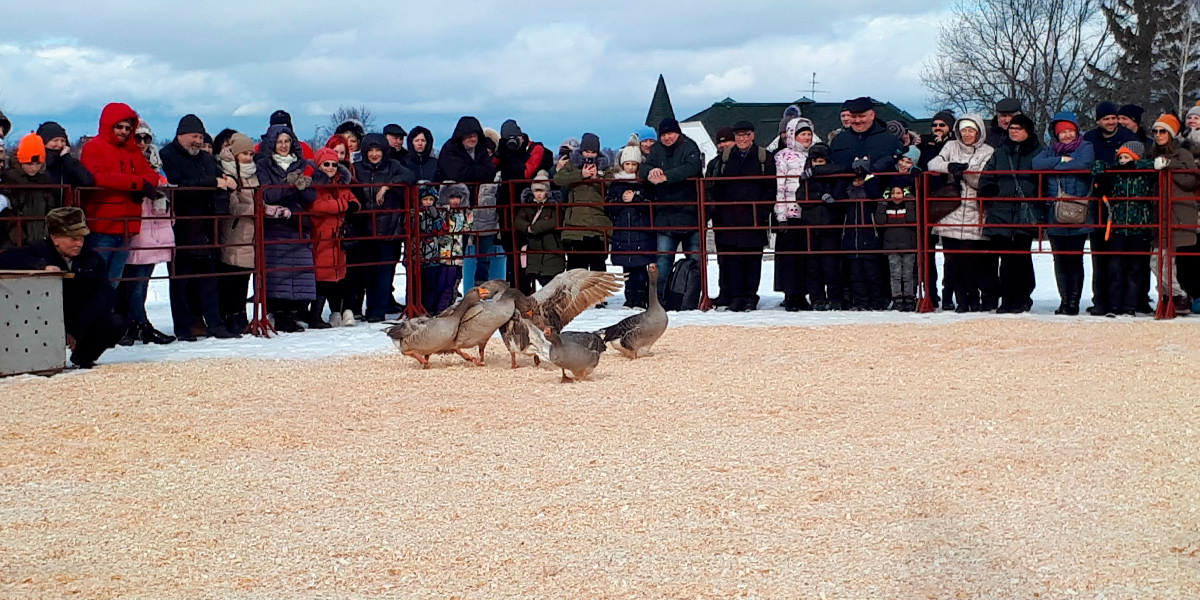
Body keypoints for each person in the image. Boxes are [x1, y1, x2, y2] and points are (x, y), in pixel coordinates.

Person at [0, 207, 126, 368]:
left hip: (79, 316)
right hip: (43, 317)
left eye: (81, 238)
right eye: (73, 239)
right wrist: (41, 266)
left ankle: (83, 356)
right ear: (55, 238)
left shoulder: (92, 258)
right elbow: (6, 259)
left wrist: (74, 330)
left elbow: (104, 295)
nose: (79, 243)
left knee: (115, 322)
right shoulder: (38, 251)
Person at [159, 114, 241, 340]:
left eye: (200, 136)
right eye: (194, 136)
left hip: (206, 226)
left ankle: (214, 323)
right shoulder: (167, 155)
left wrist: (228, 180)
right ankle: (184, 328)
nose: (198, 140)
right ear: (180, 135)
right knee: (180, 281)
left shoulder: (206, 159)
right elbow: (176, 185)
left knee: (209, 279)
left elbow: (219, 178)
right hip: (181, 225)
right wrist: (214, 183)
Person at [79, 103, 159, 287]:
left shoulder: (131, 150)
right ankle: (95, 316)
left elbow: (152, 177)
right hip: (103, 225)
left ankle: (107, 315)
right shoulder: (94, 148)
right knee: (96, 282)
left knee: (113, 283)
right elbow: (97, 178)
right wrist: (137, 183)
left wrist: (132, 182)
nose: (123, 131)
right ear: (108, 124)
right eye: (119, 126)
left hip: (127, 227)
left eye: (127, 128)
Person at [928, 114, 997, 313]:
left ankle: (974, 299)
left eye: (971, 130)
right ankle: (961, 301)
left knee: (971, 261)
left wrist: (964, 173)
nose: (967, 134)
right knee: (952, 260)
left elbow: (983, 179)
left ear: (979, 131)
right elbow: (932, 164)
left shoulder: (988, 151)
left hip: (975, 210)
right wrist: (950, 167)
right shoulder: (950, 146)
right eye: (964, 130)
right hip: (951, 209)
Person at [980, 113, 1045, 314]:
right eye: (1012, 129)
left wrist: (1039, 198)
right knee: (1006, 259)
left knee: (1022, 257)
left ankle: (1023, 297)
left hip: (1026, 211)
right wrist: (990, 191)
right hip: (1002, 211)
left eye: (1018, 128)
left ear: (1028, 131)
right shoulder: (1000, 153)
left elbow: (1044, 179)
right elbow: (986, 176)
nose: (1014, 132)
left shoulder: (1039, 153)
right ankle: (1007, 299)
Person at [1032, 111, 1096, 316]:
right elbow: (1036, 164)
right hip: (1055, 212)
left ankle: (1074, 301)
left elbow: (1084, 164)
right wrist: (1062, 159)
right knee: (1059, 259)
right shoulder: (1050, 150)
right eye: (1063, 132)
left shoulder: (1086, 147)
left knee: (1075, 258)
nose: (1067, 135)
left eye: (1070, 131)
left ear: (1076, 131)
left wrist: (1057, 166)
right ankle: (1064, 300)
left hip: (1079, 210)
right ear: (1056, 134)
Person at [256, 124, 317, 332]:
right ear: (272, 143)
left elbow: (311, 197)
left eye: (287, 141)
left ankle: (293, 313)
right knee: (277, 271)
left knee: (298, 271)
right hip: (274, 225)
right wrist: (289, 185)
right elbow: (267, 194)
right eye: (280, 141)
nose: (283, 145)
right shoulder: (264, 165)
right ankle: (278, 314)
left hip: (297, 223)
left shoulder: (302, 164)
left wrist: (303, 185)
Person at [709, 121, 775, 312]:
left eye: (746, 135)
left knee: (753, 259)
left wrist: (762, 211)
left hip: (754, 216)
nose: (742, 139)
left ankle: (750, 296)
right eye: (738, 135)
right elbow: (717, 185)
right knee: (733, 260)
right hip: (729, 217)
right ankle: (737, 297)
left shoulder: (764, 157)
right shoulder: (726, 157)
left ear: (752, 135)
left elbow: (770, 187)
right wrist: (720, 210)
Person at [354, 133, 415, 321]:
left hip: (389, 230)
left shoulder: (393, 166)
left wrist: (388, 185)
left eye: (377, 150)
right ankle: (370, 309)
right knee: (368, 273)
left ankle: (377, 312)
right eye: (370, 150)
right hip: (364, 229)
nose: (374, 154)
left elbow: (410, 176)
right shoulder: (356, 169)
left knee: (385, 272)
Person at [639, 118, 703, 299]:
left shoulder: (690, 147)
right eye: (664, 134)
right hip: (665, 215)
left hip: (690, 214)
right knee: (663, 260)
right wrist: (651, 172)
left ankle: (692, 297)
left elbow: (692, 167)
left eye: (670, 133)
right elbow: (645, 168)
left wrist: (666, 176)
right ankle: (659, 298)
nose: (667, 137)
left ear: (678, 133)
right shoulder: (657, 149)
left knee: (695, 260)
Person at [1092, 142, 1156, 316]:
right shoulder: (1115, 173)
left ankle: (1130, 306)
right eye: (1120, 157)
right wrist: (1104, 172)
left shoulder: (1144, 173)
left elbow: (1155, 164)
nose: (1122, 161)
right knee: (1115, 268)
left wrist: (1136, 164)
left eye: (1126, 157)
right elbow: (1097, 165)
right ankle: (1114, 306)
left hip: (1139, 226)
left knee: (1135, 268)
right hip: (1118, 226)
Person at [1146, 114, 1199, 314]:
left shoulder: (1182, 154)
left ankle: (1177, 296)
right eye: (1156, 131)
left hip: (1178, 213)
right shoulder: (1152, 154)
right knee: (1157, 260)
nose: (1158, 135)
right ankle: (1168, 295)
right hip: (1160, 214)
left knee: (1166, 261)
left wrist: (1170, 165)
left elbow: (1191, 180)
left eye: (1163, 131)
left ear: (1171, 133)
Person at [216, 132, 264, 334]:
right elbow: (232, 207)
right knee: (231, 278)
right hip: (236, 232)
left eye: (250, 154)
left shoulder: (253, 174)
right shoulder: (229, 173)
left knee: (243, 277)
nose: (248, 158)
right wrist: (258, 210)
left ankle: (240, 315)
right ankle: (231, 315)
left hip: (251, 233)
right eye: (243, 153)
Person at [308, 147, 361, 327]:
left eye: (334, 164)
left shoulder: (341, 183)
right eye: (326, 164)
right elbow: (317, 206)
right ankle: (314, 315)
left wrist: (343, 205)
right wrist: (342, 205)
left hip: (338, 238)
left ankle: (333, 311)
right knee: (321, 275)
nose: (330, 167)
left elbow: (356, 203)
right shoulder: (314, 184)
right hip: (321, 236)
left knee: (338, 274)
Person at [773, 117, 819, 311]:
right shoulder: (783, 156)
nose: (806, 138)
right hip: (790, 214)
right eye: (802, 134)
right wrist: (781, 215)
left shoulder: (814, 155)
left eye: (809, 134)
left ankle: (802, 294)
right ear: (793, 135)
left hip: (809, 213)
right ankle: (790, 295)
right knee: (789, 258)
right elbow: (779, 185)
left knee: (806, 257)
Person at [554, 132, 612, 277]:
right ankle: (576, 297)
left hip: (599, 225)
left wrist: (597, 179)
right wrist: (581, 175)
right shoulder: (573, 165)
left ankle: (598, 297)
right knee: (575, 266)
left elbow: (611, 189)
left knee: (597, 264)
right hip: (575, 226)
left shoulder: (605, 168)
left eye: (593, 152)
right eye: (587, 151)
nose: (590, 155)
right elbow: (558, 179)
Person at [606, 144, 655, 308]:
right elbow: (609, 207)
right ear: (622, 164)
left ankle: (641, 299)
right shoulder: (615, 184)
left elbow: (650, 206)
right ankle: (629, 298)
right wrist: (621, 200)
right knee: (626, 269)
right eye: (627, 164)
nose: (630, 167)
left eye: (634, 164)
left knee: (641, 270)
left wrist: (636, 198)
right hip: (622, 232)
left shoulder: (644, 183)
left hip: (641, 231)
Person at [797, 143, 844, 310]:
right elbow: (801, 199)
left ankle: (835, 297)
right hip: (810, 226)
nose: (818, 163)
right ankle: (817, 298)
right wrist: (819, 196)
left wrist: (828, 198)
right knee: (813, 266)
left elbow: (838, 200)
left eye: (821, 160)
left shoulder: (835, 178)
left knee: (831, 265)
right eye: (815, 160)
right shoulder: (805, 178)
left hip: (830, 225)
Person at [2, 133, 58, 248]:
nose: (34, 168)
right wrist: (19, 237)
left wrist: (48, 233)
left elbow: (51, 208)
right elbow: (8, 213)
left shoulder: (46, 178)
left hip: (42, 237)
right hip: (16, 241)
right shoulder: (9, 178)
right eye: (29, 163)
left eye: (38, 164)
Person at [514, 172, 565, 294]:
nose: (538, 193)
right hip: (534, 248)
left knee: (551, 279)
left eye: (541, 190)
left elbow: (556, 219)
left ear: (547, 191)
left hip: (552, 247)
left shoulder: (554, 206)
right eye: (536, 191)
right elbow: (518, 220)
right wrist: (528, 228)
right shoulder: (528, 206)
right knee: (533, 275)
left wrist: (534, 228)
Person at [876, 185, 918, 311]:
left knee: (908, 274)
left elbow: (912, 219)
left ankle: (909, 297)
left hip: (908, 245)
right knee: (895, 274)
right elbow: (880, 221)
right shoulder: (887, 207)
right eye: (893, 193)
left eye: (899, 193)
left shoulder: (908, 207)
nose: (895, 196)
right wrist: (883, 203)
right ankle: (897, 298)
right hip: (891, 245)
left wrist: (910, 201)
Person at [36, 122, 94, 208]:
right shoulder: (36, 162)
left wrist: (67, 158)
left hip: (63, 214)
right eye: (55, 140)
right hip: (39, 214)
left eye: (63, 141)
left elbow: (87, 181)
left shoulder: (68, 163)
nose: (60, 145)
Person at [436, 116, 496, 184]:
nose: (473, 139)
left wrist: (470, 171)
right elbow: (458, 175)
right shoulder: (450, 149)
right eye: (470, 136)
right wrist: (481, 170)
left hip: (477, 190)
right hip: (450, 191)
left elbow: (491, 172)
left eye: (475, 136)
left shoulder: (480, 148)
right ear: (461, 135)